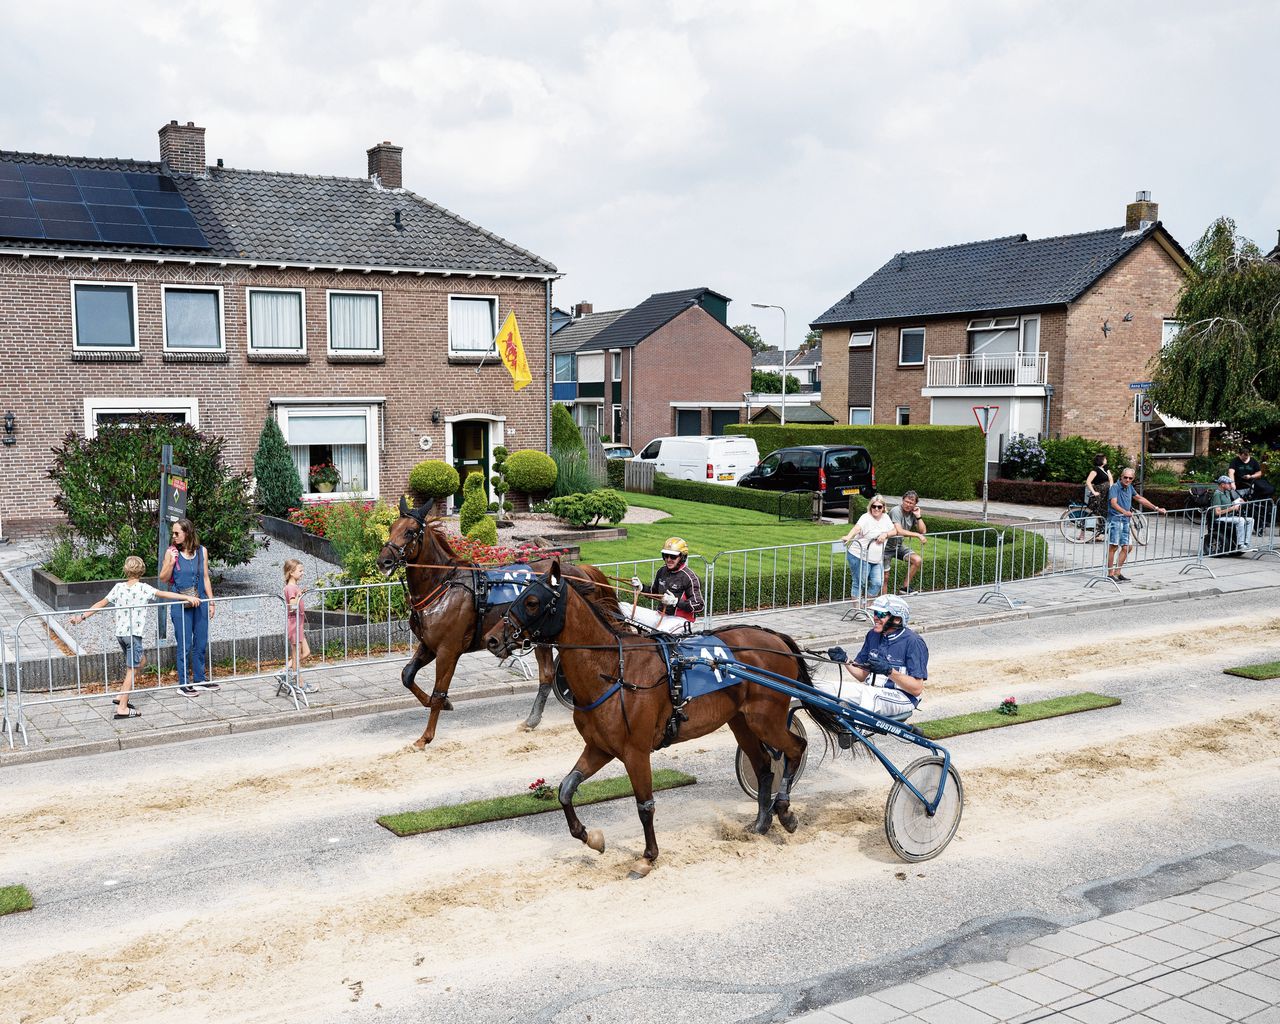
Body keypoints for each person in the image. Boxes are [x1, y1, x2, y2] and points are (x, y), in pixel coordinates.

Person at [68, 555, 199, 718]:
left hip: (121, 634)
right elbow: (165, 594)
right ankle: (122, 707)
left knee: (140, 661)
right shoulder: (144, 588)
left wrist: (81, 617)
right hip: (134, 635)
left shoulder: (118, 587)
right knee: (133, 668)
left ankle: (120, 696)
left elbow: (101, 603)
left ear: (125, 570)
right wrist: (186, 596)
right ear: (142, 571)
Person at [813, 595, 926, 721]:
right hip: (871, 692)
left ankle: (853, 733)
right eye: (875, 613)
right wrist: (845, 660)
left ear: (897, 620)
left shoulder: (913, 642)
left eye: (881, 614)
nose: (875, 617)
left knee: (871, 695)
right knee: (818, 686)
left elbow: (916, 689)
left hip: (902, 698)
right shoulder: (873, 635)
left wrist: (889, 671)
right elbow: (862, 675)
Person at [159, 518, 217, 696]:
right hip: (180, 603)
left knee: (200, 642)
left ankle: (200, 679)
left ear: (188, 533)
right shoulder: (171, 552)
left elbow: (206, 577)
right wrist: (170, 562)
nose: (174, 536)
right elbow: (162, 578)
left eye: (177, 533)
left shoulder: (202, 551)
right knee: (184, 644)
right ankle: (183, 683)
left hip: (199, 601)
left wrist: (212, 601)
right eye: (173, 533)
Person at [628, 537, 703, 632]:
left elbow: (699, 605)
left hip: (680, 620)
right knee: (622, 608)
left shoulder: (690, 577)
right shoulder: (662, 571)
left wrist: (676, 602)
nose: (668, 559)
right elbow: (654, 592)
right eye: (666, 556)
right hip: (660, 615)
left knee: (658, 634)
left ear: (682, 557)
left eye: (673, 557)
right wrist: (641, 587)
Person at [1106, 469, 1167, 581]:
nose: (1127, 480)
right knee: (1113, 547)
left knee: (1127, 547)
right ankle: (1110, 574)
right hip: (1115, 520)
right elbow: (1113, 503)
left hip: (1125, 521)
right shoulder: (1115, 487)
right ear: (1121, 477)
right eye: (1125, 477)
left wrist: (1156, 508)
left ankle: (1118, 572)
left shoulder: (1129, 487)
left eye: (1130, 478)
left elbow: (1139, 498)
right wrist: (1124, 511)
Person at [840, 497, 896, 604]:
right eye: (873, 506)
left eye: (879, 507)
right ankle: (857, 609)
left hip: (877, 558)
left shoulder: (885, 518)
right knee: (860, 582)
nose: (876, 509)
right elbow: (857, 528)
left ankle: (868, 606)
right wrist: (848, 536)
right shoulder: (865, 518)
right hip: (859, 555)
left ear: (883, 508)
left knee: (878, 583)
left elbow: (894, 530)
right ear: (870, 507)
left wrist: (885, 534)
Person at [275, 559, 317, 695]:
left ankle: (284, 671)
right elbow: (292, 607)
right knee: (296, 653)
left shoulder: (294, 587)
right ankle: (299, 683)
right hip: (294, 624)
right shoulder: (290, 588)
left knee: (306, 652)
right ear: (291, 573)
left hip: (298, 624)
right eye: (300, 571)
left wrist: (300, 593)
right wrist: (299, 595)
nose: (302, 573)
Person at [885, 491, 928, 595]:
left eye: (911, 503)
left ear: (915, 505)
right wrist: (917, 535)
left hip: (898, 546)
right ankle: (883, 600)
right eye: (906, 501)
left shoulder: (912, 513)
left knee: (917, 560)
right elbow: (899, 530)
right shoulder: (896, 511)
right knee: (885, 576)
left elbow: (923, 531)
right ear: (902, 500)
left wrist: (918, 516)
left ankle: (905, 587)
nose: (908, 505)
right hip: (885, 547)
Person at [1210, 475, 1254, 551]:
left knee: (1250, 520)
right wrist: (1231, 508)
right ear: (1222, 484)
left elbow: (1228, 505)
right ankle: (1240, 545)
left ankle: (1246, 544)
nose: (1231, 485)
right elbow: (1217, 512)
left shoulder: (1227, 492)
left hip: (1229, 516)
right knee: (1240, 520)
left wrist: (1238, 502)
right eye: (1229, 483)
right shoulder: (1217, 495)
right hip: (1220, 518)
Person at [1083, 454, 1113, 541]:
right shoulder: (1095, 470)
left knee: (1103, 513)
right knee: (1094, 512)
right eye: (1105, 458)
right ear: (1101, 460)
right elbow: (1088, 482)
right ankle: (1082, 533)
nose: (1106, 460)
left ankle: (1099, 533)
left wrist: (1111, 488)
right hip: (1099, 494)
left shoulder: (1106, 469)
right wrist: (1093, 492)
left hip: (1106, 494)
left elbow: (1110, 479)